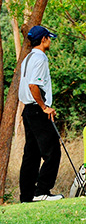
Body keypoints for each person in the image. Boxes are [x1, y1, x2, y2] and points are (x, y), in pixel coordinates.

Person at [18, 25, 63, 202]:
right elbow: (33, 85)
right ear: (43, 39)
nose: (50, 41)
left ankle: (27, 196)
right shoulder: (40, 58)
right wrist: (44, 107)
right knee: (53, 151)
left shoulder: (27, 58)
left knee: (31, 154)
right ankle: (42, 191)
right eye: (49, 38)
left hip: (28, 110)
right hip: (37, 110)